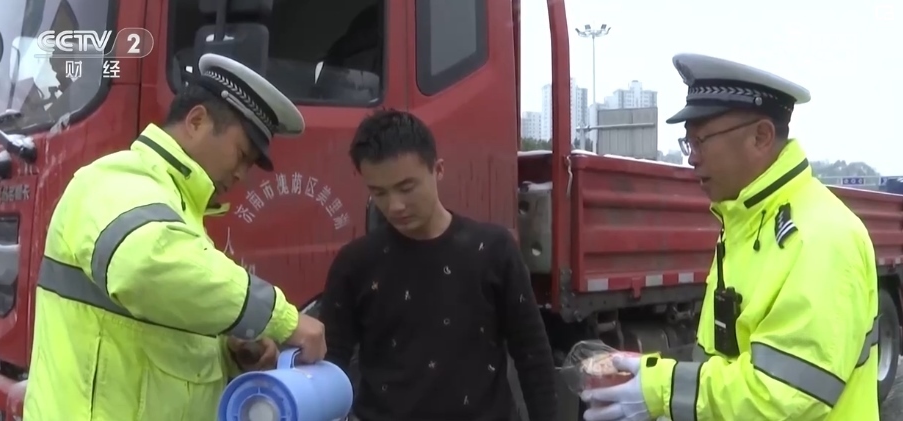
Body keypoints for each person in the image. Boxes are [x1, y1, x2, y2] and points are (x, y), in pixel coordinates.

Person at [23, 53, 327, 421]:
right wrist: (283, 319)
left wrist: (229, 348)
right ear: (196, 121)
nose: (241, 175)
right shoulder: (116, 181)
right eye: (241, 154)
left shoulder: (176, 207)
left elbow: (161, 328)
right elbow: (146, 267)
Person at [579, 53, 879, 420]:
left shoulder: (821, 238)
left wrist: (662, 390)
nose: (691, 158)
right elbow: (727, 361)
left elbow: (783, 395)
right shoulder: (745, 223)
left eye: (701, 141)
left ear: (761, 136)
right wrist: (650, 377)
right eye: (688, 143)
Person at [320, 110, 557, 421]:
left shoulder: (493, 250)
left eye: (407, 188)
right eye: (379, 193)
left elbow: (532, 355)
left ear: (438, 170)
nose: (395, 206)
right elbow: (329, 366)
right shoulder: (355, 263)